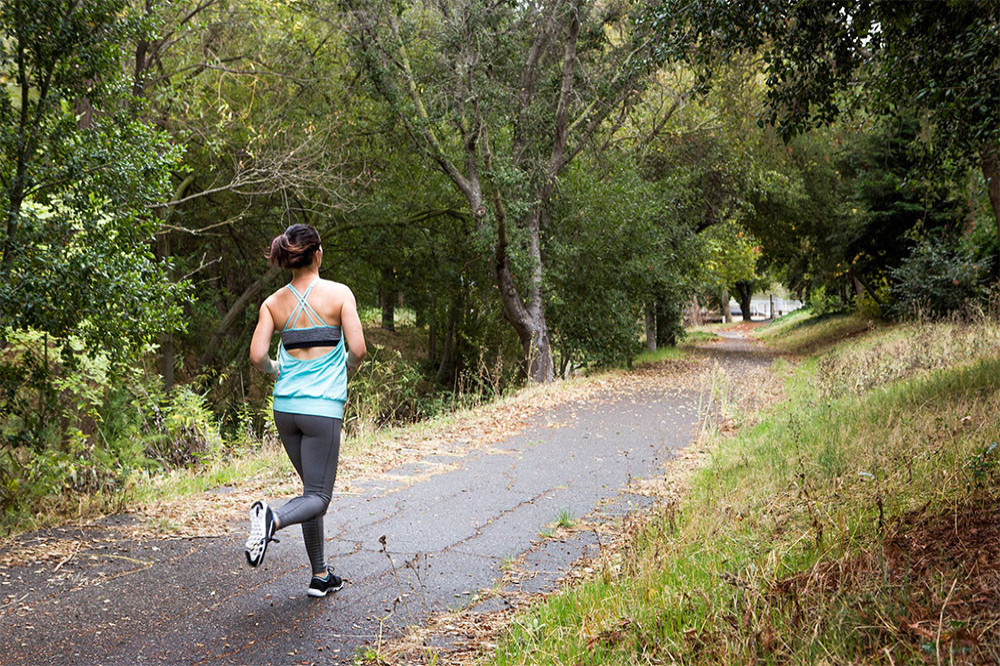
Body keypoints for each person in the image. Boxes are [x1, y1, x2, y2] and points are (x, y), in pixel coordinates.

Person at [246, 223, 366, 598]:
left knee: (310, 492)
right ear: (317, 254)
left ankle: (320, 575)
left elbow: (256, 357)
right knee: (319, 496)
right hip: (321, 409)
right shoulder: (339, 294)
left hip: (285, 410)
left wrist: (275, 369)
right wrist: (341, 367)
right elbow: (359, 351)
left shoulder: (273, 303)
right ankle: (272, 519)